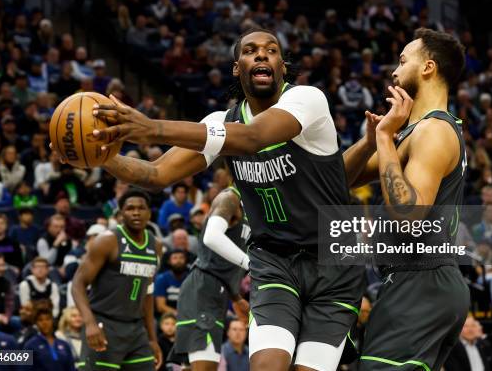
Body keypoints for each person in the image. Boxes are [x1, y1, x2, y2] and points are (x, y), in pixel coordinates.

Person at [88, 27, 365, 371]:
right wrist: (97, 156)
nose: (262, 54)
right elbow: (156, 174)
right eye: (250, 50)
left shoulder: (308, 100)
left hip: (334, 264)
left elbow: (253, 137)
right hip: (275, 261)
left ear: (282, 66)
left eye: (271, 50)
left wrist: (152, 127)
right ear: (237, 67)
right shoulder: (221, 123)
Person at [343, 28, 470, 370]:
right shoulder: (416, 132)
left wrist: (384, 139)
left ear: (428, 68)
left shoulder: (433, 131)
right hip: (420, 281)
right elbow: (336, 179)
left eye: (402, 61)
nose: (394, 71)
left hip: (421, 280)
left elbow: (408, 213)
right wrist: (373, 141)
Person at [71, 189, 163, 370]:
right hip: (105, 324)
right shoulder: (107, 241)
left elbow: (148, 293)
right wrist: (89, 323)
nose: (136, 212)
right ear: (121, 214)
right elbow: (78, 284)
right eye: (130, 208)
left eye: (141, 208)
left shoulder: (156, 245)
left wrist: (152, 338)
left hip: (136, 330)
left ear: (149, 213)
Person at [173, 187, 249, 370]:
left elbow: (225, 263)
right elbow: (212, 237)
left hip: (218, 292)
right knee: (205, 366)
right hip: (203, 289)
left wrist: (236, 298)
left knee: (196, 367)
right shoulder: (230, 197)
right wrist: (251, 264)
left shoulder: (252, 207)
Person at [24, 306, 76, 371]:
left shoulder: (64, 344)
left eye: (48, 319)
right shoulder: (29, 345)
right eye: (40, 320)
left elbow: (71, 368)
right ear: (36, 323)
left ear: (52, 320)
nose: (45, 323)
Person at [154, 249, 188, 316]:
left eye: (181, 258)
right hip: (166, 317)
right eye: (175, 258)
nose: (178, 261)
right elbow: (160, 307)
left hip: (186, 314)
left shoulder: (190, 278)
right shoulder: (162, 278)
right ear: (169, 261)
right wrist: (180, 315)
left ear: (186, 261)